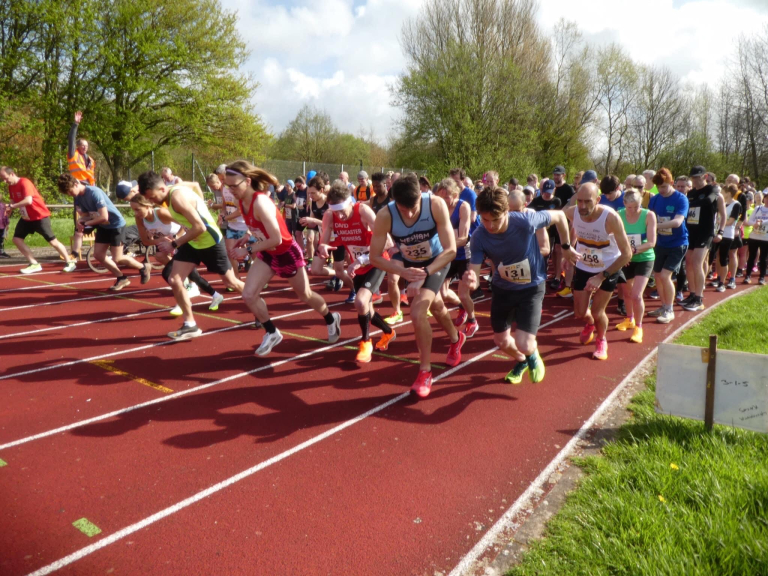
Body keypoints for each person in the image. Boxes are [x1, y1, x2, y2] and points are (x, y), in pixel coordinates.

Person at [223, 161, 341, 355]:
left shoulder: (260, 202)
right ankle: (271, 332)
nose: (231, 190)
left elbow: (277, 238)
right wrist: (247, 236)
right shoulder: (240, 201)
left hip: (286, 252)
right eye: (228, 186)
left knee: (305, 295)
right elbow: (258, 227)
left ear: (248, 181)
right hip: (267, 251)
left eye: (234, 185)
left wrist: (248, 249)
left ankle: (331, 318)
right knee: (248, 294)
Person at [464, 188, 578, 383]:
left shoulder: (525, 222)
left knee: (524, 343)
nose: (490, 226)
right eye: (485, 220)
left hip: (531, 288)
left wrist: (566, 247)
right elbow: (474, 270)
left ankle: (529, 353)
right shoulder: (479, 236)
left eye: (495, 220)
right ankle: (523, 360)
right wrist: (472, 280)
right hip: (502, 290)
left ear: (507, 211)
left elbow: (560, 216)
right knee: (500, 341)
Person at [370, 173, 465, 398]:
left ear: (421, 196)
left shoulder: (435, 204)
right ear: (395, 203)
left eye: (413, 208)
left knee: (417, 311)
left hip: (436, 262)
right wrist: (402, 271)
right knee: (437, 306)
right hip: (411, 266)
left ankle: (425, 371)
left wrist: (424, 273)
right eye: (404, 210)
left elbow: (451, 250)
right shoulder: (385, 215)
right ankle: (456, 338)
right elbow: (375, 257)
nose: (410, 214)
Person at [137, 171, 244, 340]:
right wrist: (199, 203)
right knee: (175, 279)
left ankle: (256, 300)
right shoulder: (173, 189)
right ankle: (190, 324)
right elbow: (195, 185)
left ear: (162, 188)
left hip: (210, 241)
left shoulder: (176, 197)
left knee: (231, 281)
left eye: (152, 197)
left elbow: (200, 227)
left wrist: (173, 243)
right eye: (148, 199)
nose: (152, 202)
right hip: (193, 241)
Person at [318, 181, 395, 362]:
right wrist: (322, 247)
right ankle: (388, 332)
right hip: (357, 266)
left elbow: (387, 242)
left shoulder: (363, 211)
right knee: (366, 308)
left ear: (350, 203)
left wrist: (359, 261)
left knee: (360, 301)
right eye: (335, 211)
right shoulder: (330, 216)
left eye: (342, 211)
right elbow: (323, 239)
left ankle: (365, 341)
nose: (340, 216)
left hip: (376, 260)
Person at [124, 186, 223, 316]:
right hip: (172, 246)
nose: (136, 213)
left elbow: (186, 223)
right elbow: (145, 241)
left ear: (148, 206)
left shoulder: (161, 213)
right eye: (133, 210)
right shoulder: (140, 219)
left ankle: (185, 299)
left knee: (169, 274)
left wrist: (175, 239)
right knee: (165, 261)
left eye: (138, 209)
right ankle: (212, 294)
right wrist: (161, 241)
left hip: (184, 242)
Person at [564, 183, 632, 360]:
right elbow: (558, 220)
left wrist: (601, 276)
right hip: (584, 265)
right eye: (579, 201)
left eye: (588, 201)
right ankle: (590, 324)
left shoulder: (610, 218)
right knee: (579, 313)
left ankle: (602, 340)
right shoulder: (572, 212)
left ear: (598, 200)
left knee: (597, 311)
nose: (583, 206)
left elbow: (626, 254)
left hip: (608, 267)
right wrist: (567, 249)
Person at [58, 173, 149, 289]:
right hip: (103, 226)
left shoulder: (94, 192)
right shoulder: (78, 197)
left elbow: (104, 216)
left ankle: (143, 267)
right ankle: (121, 278)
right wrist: (80, 221)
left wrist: (86, 223)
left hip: (116, 225)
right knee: (98, 255)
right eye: (68, 194)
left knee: (118, 258)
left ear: (76, 184)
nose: (70, 195)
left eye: (70, 192)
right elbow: (86, 215)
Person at [0, 167, 76, 273]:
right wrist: (8, 212)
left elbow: (28, 200)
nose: (5, 181)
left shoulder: (24, 183)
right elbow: (12, 201)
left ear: (12, 174)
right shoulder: (11, 187)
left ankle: (69, 261)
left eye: (6, 178)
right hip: (26, 218)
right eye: (2, 179)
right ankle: (34, 263)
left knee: (53, 241)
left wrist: (12, 206)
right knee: (16, 239)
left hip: (39, 216)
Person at [434, 178, 476, 336]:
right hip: (448, 253)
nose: (443, 201)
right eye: (440, 197)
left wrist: (443, 246)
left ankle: (472, 319)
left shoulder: (463, 207)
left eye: (446, 197)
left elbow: (464, 237)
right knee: (443, 293)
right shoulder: (439, 207)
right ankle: (462, 307)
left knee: (464, 294)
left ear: (455, 195)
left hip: (463, 254)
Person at [681, 165, 726, 312]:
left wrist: (721, 231)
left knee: (697, 262)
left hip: (706, 232)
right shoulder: (691, 193)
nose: (695, 180)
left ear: (705, 176)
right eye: (693, 178)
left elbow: (714, 207)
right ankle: (692, 294)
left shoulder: (712, 190)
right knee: (688, 263)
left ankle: (699, 298)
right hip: (692, 232)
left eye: (698, 177)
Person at [647, 168, 689, 322]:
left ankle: (670, 310)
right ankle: (664, 306)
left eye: (664, 186)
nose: (661, 190)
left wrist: (655, 226)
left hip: (678, 243)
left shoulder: (681, 199)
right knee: (657, 276)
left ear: (672, 183)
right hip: (661, 243)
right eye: (658, 187)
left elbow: (678, 222)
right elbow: (647, 218)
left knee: (665, 276)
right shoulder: (655, 199)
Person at [616, 189, 656, 342]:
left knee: (636, 295)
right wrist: (623, 254)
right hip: (626, 258)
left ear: (641, 203)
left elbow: (652, 242)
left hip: (644, 258)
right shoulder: (619, 214)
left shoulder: (648, 215)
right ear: (624, 204)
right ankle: (629, 319)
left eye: (636, 206)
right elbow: (613, 238)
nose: (633, 210)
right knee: (626, 293)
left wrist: (631, 251)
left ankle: (639, 327)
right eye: (629, 207)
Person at [551, 165, 575, 293]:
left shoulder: (568, 190)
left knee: (560, 250)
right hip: (552, 223)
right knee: (554, 251)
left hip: (563, 223)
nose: (556, 177)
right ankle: (556, 275)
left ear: (563, 175)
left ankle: (559, 276)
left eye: (558, 175)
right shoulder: (552, 188)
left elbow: (570, 207)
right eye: (554, 175)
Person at [714, 184, 742, 292]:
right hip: (717, 233)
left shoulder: (736, 204)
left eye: (723, 191)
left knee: (724, 257)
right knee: (717, 256)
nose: (721, 194)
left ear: (728, 193)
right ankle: (719, 278)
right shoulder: (722, 204)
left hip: (727, 235)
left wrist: (719, 222)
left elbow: (731, 222)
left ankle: (723, 282)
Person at [744, 191, 768, 285]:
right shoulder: (758, 208)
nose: (767, 200)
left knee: (763, 258)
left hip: (765, 238)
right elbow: (750, 220)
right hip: (754, 236)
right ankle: (747, 276)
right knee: (751, 257)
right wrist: (754, 224)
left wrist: (761, 222)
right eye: (766, 197)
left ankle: (761, 277)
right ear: (764, 198)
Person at [67, 111, 96, 186]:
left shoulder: (91, 160)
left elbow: (91, 175)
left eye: (86, 146)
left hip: (89, 186)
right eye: (83, 145)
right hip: (78, 184)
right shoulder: (73, 154)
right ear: (78, 146)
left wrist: (93, 186)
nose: (85, 147)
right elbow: (71, 139)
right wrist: (76, 124)